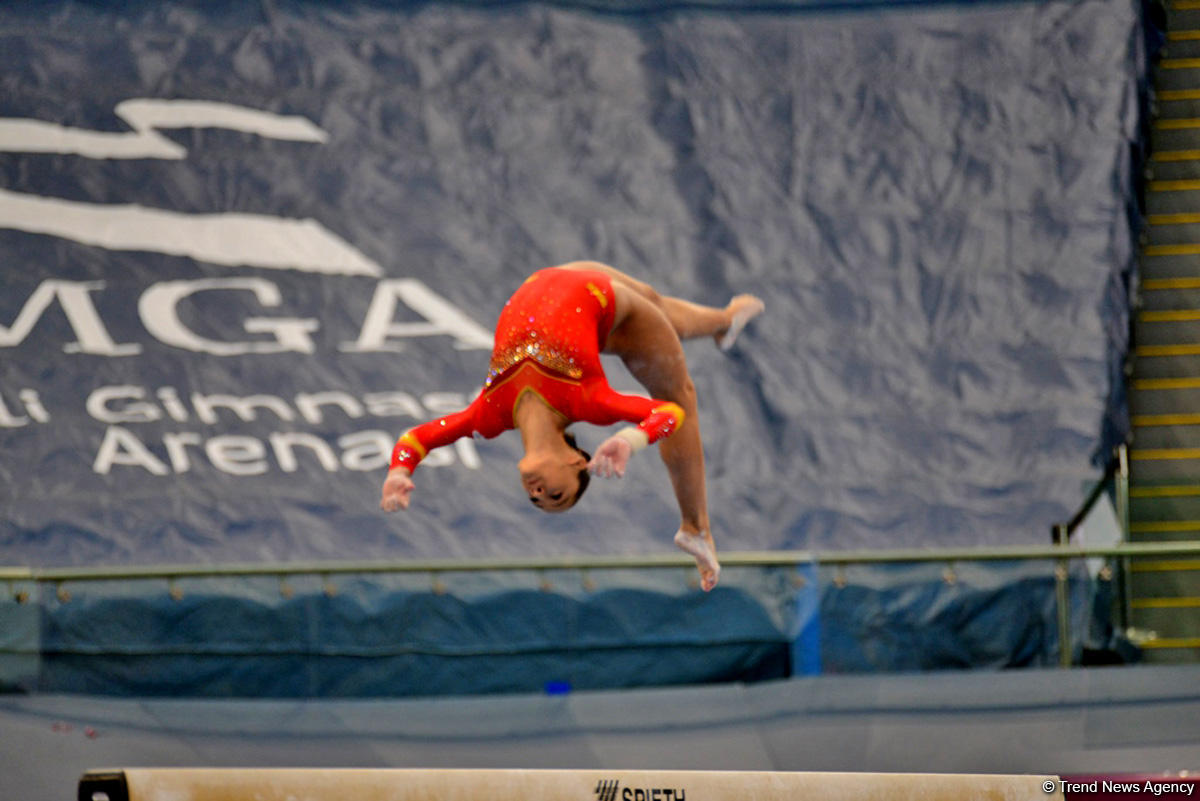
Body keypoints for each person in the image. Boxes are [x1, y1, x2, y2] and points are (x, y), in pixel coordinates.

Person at [379, 260, 764, 591]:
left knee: (656, 301)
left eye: (536, 500)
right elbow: (669, 414)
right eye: (556, 496)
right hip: (608, 304)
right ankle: (695, 527)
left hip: (563, 279)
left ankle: (723, 321)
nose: (538, 494)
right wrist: (630, 440)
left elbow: (416, 439)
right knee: (682, 396)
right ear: (576, 461)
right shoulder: (586, 400)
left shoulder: (490, 415)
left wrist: (399, 470)